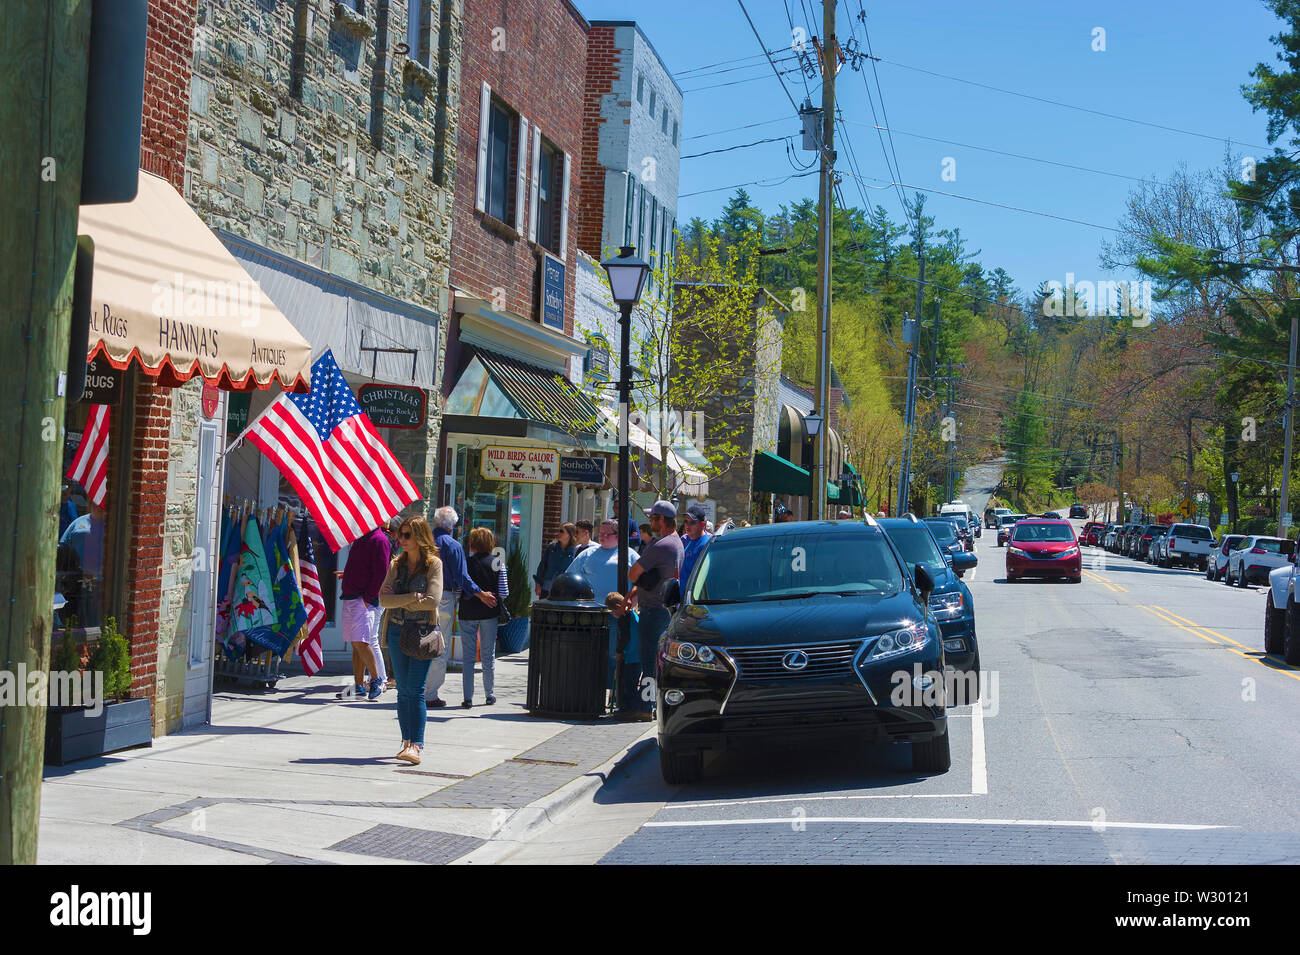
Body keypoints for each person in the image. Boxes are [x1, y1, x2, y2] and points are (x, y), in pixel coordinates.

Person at [380, 515, 444, 765]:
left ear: (420, 537)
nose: (402, 539)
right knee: (402, 691)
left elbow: (433, 600)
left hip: (422, 632)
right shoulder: (396, 564)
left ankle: (416, 745)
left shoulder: (433, 565)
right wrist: (412, 597)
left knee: (416, 690)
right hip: (396, 629)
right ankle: (405, 742)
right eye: (400, 535)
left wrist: (401, 598)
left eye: (407, 535)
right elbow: (383, 600)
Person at [426, 506, 496, 707]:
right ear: (452, 525)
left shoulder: (425, 542)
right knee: (439, 644)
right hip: (443, 597)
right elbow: (462, 577)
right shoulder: (452, 545)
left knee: (420, 641)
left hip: (419, 596)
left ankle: (417, 688)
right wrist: (480, 593)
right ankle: (430, 693)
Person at [627, 500, 683, 718]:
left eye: (652, 518)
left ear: (662, 519)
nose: (649, 522)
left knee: (649, 661)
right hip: (664, 609)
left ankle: (645, 707)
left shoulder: (661, 545)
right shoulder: (677, 543)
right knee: (656, 660)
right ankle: (651, 706)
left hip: (653, 610)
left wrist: (637, 583)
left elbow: (632, 573)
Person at [335, 522, 392, 701]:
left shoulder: (379, 539)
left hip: (363, 599)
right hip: (353, 596)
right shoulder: (361, 538)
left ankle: (376, 679)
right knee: (356, 642)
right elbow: (364, 567)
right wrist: (349, 575)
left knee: (362, 641)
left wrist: (368, 598)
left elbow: (381, 573)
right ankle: (359, 685)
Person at [460, 527, 509, 708]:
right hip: (489, 613)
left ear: (472, 544)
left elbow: (459, 589)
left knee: (468, 657)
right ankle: (489, 694)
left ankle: (467, 697)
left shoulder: (465, 563)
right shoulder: (498, 563)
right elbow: (504, 592)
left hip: (468, 612)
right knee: (488, 655)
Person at [567, 518, 638, 607]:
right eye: (600, 533)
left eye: (606, 534)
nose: (601, 536)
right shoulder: (587, 553)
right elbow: (569, 578)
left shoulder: (630, 555)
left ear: (618, 535)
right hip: (590, 611)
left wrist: (631, 603)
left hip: (619, 612)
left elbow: (641, 584)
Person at [604, 592, 641, 712]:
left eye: (613, 611)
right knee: (630, 683)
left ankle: (630, 709)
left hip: (631, 656)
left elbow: (625, 637)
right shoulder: (633, 615)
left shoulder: (624, 618)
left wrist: (619, 651)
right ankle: (628, 707)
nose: (613, 614)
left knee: (629, 685)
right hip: (636, 655)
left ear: (619, 606)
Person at [533, 522, 576, 599]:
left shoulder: (575, 551)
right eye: (559, 530)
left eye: (561, 531)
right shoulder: (552, 547)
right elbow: (542, 565)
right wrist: (538, 584)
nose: (558, 533)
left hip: (564, 590)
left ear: (570, 535)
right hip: (547, 588)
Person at [679, 503, 712, 584]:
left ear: (703, 524)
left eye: (692, 522)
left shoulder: (705, 545)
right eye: (686, 521)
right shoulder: (691, 541)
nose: (687, 525)